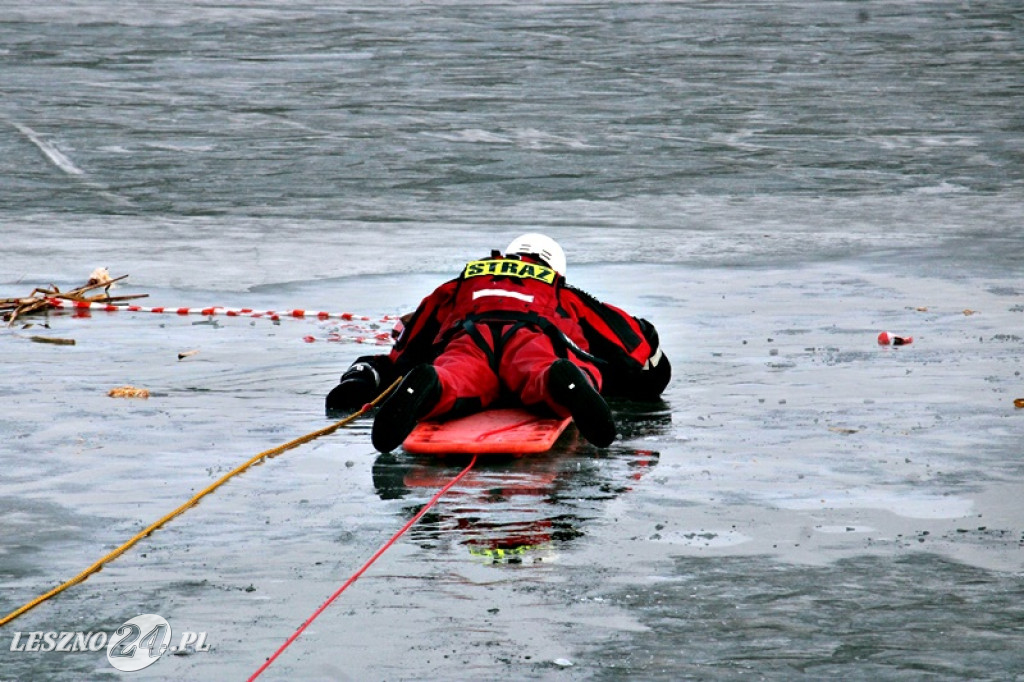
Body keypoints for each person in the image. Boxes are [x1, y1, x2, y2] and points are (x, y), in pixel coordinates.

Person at [325, 234, 671, 453]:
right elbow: (631, 340)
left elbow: (409, 340)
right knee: (543, 371)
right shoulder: (560, 290)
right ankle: (562, 381)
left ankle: (432, 386)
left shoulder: (463, 281)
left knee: (455, 376)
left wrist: (371, 374)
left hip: (470, 334)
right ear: (555, 268)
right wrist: (649, 367)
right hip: (532, 336)